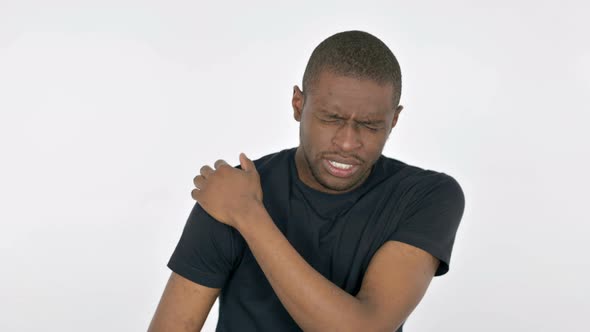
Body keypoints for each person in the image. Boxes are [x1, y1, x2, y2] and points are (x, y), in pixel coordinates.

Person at [148, 30, 465, 332]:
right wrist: (240, 207)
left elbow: (365, 328)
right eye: (331, 119)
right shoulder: (232, 193)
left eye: (369, 125)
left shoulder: (427, 197)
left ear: (394, 120)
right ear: (298, 105)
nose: (347, 143)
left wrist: (248, 215)